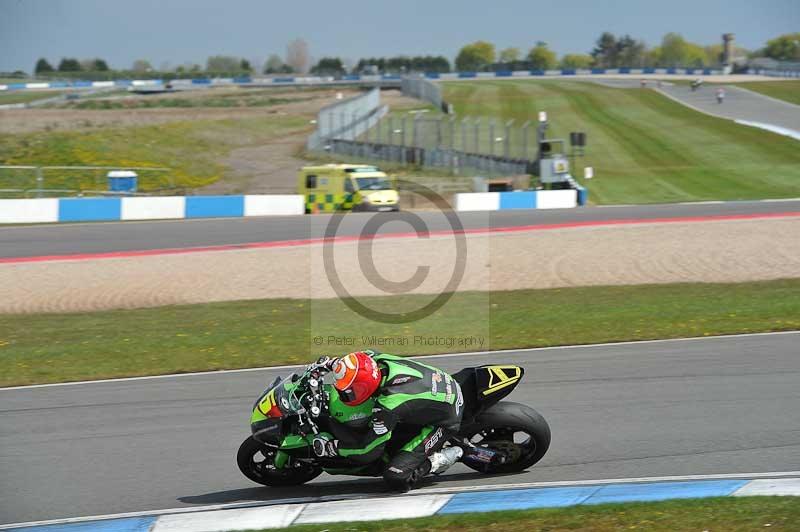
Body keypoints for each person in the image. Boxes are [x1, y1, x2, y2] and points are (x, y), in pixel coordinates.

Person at [312, 350, 464, 491]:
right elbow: (353, 363)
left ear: (365, 386)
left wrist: (334, 448)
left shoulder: (387, 407)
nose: (345, 395)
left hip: (446, 421)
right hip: (446, 383)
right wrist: (331, 363)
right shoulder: (372, 359)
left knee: (396, 476)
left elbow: (368, 451)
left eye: (351, 391)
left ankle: (438, 460)